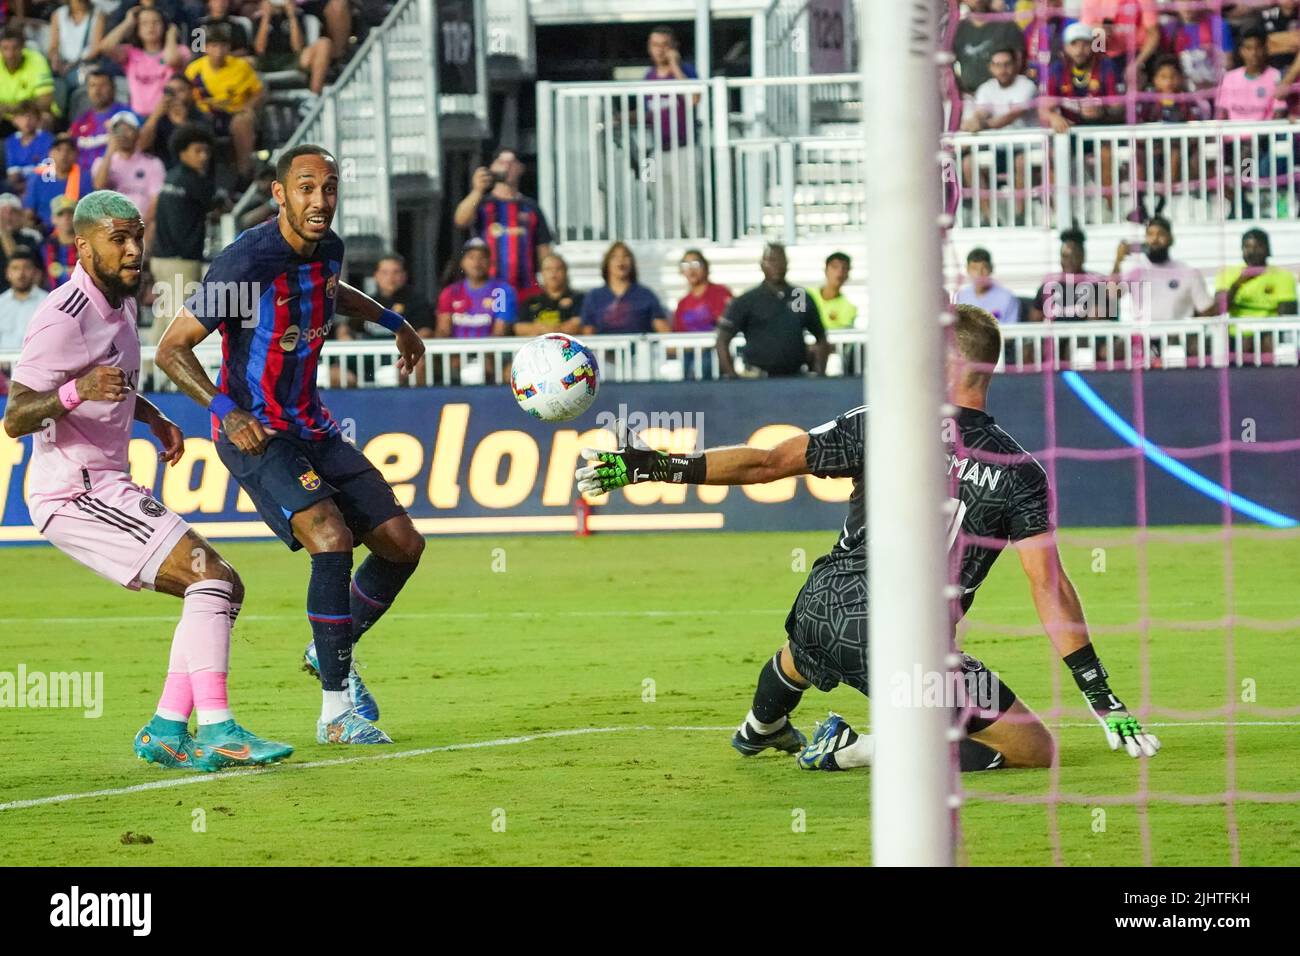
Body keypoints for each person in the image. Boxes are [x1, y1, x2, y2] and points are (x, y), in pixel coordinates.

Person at [576, 304, 1161, 772]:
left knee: (811, 644)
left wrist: (644, 466)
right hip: (905, 646)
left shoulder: (883, 420)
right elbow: (1049, 587)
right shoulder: (1020, 471)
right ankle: (856, 748)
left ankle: (759, 727)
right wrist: (1100, 695)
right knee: (1035, 751)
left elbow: (766, 463)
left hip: (821, 604)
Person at [2, 190, 292, 773]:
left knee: (220, 587)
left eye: (138, 236)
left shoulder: (120, 303)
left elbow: (114, 379)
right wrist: (74, 392)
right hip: (74, 493)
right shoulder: (63, 318)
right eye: (120, 239)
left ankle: (165, 729)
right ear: (83, 248)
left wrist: (152, 416)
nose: (135, 249)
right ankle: (216, 731)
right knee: (211, 579)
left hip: (108, 482)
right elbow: (15, 416)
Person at [155, 145, 428, 745]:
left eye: (329, 188)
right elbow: (171, 348)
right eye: (306, 188)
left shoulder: (327, 248)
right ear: (279, 193)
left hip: (313, 426)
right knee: (329, 539)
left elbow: (332, 290)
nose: (320, 201)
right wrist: (225, 412)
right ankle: (336, 711)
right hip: (256, 434)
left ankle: (326, 647)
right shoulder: (247, 261)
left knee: (402, 544)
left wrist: (394, 322)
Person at [147, 123, 225, 355]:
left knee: (163, 318)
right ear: (182, 151)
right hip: (181, 261)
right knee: (178, 322)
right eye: (198, 151)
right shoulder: (196, 182)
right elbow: (217, 204)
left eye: (206, 151)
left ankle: (150, 373)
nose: (204, 157)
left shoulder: (171, 177)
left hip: (160, 259)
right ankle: (174, 377)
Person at [452, 147, 554, 300]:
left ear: (520, 169)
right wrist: (478, 191)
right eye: (501, 162)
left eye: (512, 163)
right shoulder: (482, 204)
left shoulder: (531, 207)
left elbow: (544, 250)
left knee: (525, 324)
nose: (507, 167)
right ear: (492, 167)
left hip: (526, 288)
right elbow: (460, 220)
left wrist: (548, 284)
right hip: (491, 289)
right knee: (497, 323)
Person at [716, 243, 829, 377]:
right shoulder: (748, 300)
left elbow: (821, 337)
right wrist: (732, 376)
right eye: (771, 260)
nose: (776, 265)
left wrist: (820, 373)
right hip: (757, 379)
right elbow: (722, 339)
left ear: (787, 263)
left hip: (794, 378)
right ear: (761, 265)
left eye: (780, 260)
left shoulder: (799, 296)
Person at [644, 25, 703, 237]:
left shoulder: (685, 70)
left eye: (664, 45)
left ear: (673, 47)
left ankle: (696, 244)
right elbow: (647, 112)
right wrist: (619, 117)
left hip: (684, 148)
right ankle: (666, 245)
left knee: (689, 204)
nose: (659, 50)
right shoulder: (648, 77)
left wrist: (675, 65)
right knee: (661, 206)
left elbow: (695, 99)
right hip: (658, 151)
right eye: (655, 45)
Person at [184, 24, 263, 180]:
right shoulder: (194, 69)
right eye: (214, 46)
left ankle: (244, 175)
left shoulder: (241, 66)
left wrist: (249, 107)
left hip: (235, 113)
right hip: (205, 115)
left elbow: (259, 92)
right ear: (206, 47)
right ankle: (199, 176)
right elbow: (186, 95)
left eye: (223, 46)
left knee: (243, 121)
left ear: (229, 48)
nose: (218, 51)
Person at [94, 4, 188, 116]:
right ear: (137, 28)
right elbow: (105, 47)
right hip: (137, 118)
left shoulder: (181, 50)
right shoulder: (131, 53)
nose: (151, 27)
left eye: (156, 22)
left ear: (164, 26)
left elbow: (171, 60)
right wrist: (127, 22)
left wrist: (171, 35)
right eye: (144, 23)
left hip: (167, 116)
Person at [91, 110, 167, 225]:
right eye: (118, 130)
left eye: (128, 129)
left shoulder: (153, 163)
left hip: (142, 225)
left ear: (137, 133)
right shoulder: (101, 162)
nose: (123, 134)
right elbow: (99, 186)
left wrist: (140, 227)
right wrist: (110, 150)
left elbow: (156, 201)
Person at [580, 240, 665, 334]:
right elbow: (588, 331)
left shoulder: (646, 295)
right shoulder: (594, 297)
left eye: (626, 256)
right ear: (607, 264)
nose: (621, 260)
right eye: (614, 257)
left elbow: (663, 329)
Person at [251, 0, 332, 96]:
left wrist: (292, 16)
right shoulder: (258, 19)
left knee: (324, 43)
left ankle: (313, 96)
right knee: (245, 61)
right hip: (267, 61)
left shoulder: (298, 16)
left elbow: (297, 47)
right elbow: (259, 49)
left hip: (293, 58)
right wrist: (266, 17)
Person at [952, 0, 1026, 97]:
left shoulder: (1007, 26)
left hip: (1004, 98)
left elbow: (1019, 63)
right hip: (969, 98)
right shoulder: (958, 30)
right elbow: (948, 67)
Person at [139, 74, 211, 169]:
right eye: (170, 91)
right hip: (160, 173)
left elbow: (200, 155)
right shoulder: (158, 116)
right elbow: (141, 145)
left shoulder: (201, 117)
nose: (174, 95)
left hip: (190, 173)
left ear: (191, 93)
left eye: (180, 90)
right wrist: (155, 116)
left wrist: (182, 124)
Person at [69, 69, 131, 172]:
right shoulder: (81, 120)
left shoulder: (126, 115)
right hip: (82, 178)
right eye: (92, 85)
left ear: (113, 89)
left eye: (102, 85)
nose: (97, 90)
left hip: (114, 177)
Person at [24, 133, 89, 229]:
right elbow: (29, 212)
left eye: (69, 150)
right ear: (50, 153)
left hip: (74, 230)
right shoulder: (37, 177)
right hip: (43, 231)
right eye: (59, 149)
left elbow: (88, 213)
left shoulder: (84, 178)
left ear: (76, 155)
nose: (64, 154)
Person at [0, 23, 56, 130]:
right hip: (6, 119)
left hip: (32, 116)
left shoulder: (37, 60)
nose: (10, 54)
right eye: (5, 48)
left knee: (45, 117)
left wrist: (12, 108)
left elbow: (45, 102)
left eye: (15, 48)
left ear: (23, 46)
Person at [515, 252, 583, 336]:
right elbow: (518, 328)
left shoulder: (579, 299)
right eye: (548, 269)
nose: (553, 272)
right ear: (542, 273)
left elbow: (579, 324)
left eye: (558, 268)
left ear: (566, 272)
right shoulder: (531, 301)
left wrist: (543, 330)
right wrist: (549, 329)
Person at [955, 247, 1021, 325]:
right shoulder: (961, 297)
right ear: (967, 269)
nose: (979, 273)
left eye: (984, 268)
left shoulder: (1007, 297)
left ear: (991, 268)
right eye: (974, 268)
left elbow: (1012, 332)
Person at [4, 100, 53, 198]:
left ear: (38, 119)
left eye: (31, 116)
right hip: (18, 190)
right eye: (22, 116)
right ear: (14, 120)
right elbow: (13, 176)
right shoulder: (10, 142)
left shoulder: (48, 139)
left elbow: (48, 175)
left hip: (43, 188)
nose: (27, 121)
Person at [0, 247, 47, 347]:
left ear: (35, 272)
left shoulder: (47, 302)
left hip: (35, 361)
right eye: (15, 268)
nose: (21, 274)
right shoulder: (1, 303)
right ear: (7, 273)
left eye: (27, 268)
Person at [0, 192, 45, 293]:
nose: (8, 217)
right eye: (3, 212)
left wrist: (4, 231)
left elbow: (17, 259)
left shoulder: (32, 236)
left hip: (26, 293)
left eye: (13, 212)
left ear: (21, 215)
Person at [806, 251, 857, 331]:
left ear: (848, 274)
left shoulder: (849, 308)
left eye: (844, 268)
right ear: (825, 270)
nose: (840, 271)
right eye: (835, 267)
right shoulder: (807, 295)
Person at [41, 195, 80, 289]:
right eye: (60, 214)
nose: (66, 218)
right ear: (53, 219)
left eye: (70, 213)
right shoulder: (45, 247)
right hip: (53, 298)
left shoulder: (87, 245)